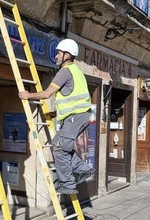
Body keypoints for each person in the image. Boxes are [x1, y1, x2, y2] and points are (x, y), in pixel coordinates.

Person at [18, 38, 94, 195]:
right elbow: (72, 99)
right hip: (78, 116)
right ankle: (82, 169)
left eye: (59, 53)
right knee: (60, 145)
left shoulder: (65, 71)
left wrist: (27, 95)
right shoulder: (76, 71)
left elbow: (47, 94)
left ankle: (68, 183)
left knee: (59, 147)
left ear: (68, 55)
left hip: (76, 117)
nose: (56, 56)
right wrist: (54, 114)